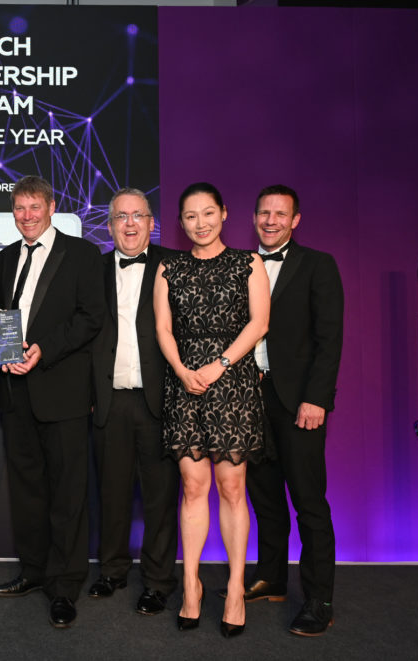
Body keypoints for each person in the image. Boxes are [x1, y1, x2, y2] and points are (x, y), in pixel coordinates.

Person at [0, 175, 105, 628]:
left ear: (52, 208)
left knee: (67, 493)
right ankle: (33, 571)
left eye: (35, 207)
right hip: (16, 394)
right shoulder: (4, 258)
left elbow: (91, 318)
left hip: (63, 393)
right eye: (19, 208)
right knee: (27, 492)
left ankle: (65, 585)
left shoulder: (83, 254)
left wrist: (43, 350)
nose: (27, 216)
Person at [153, 182, 269, 637]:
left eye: (207, 213)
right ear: (181, 223)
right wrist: (183, 371)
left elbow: (259, 323)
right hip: (185, 384)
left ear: (223, 213)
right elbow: (163, 329)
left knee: (232, 487)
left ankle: (236, 588)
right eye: (190, 216)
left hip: (232, 381)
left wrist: (219, 365)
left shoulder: (248, 263)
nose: (199, 223)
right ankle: (191, 584)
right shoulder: (169, 268)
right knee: (193, 486)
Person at [243, 184, 343, 636]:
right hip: (250, 397)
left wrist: (317, 398)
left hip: (300, 401)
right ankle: (272, 578)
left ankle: (319, 600)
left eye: (280, 214)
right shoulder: (241, 265)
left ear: (295, 220)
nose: (271, 221)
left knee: (308, 502)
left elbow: (329, 338)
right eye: (264, 213)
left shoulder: (318, 265)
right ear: (253, 217)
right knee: (264, 497)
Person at [88, 188, 180, 615]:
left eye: (137, 216)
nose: (129, 224)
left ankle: (158, 582)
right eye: (121, 217)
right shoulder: (92, 270)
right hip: (108, 401)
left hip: (159, 402)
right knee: (112, 493)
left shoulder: (174, 266)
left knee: (160, 497)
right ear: (109, 226)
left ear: (151, 223)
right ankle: (112, 570)